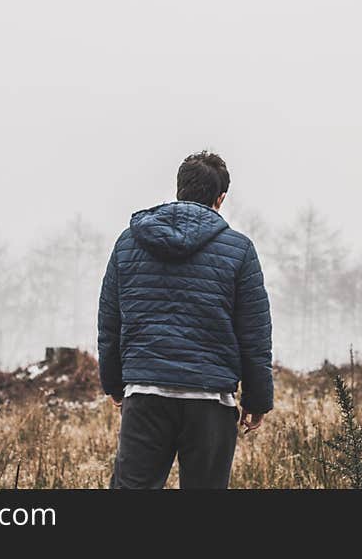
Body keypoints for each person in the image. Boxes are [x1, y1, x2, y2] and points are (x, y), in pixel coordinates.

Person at [97, 150, 273, 489]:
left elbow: (110, 323)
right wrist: (257, 401)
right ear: (220, 199)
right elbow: (254, 335)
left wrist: (115, 383)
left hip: (146, 394)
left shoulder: (129, 242)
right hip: (210, 401)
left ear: (180, 190)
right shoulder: (239, 250)